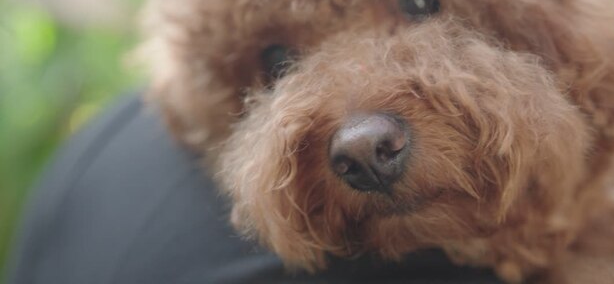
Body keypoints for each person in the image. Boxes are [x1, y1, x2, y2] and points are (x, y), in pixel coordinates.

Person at [6, 94, 501, 284]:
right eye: (280, 60)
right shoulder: (435, 257)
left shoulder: (112, 127)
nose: (360, 141)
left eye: (418, 7)